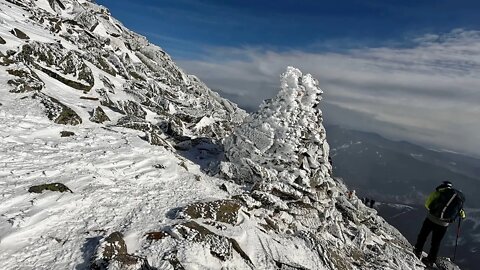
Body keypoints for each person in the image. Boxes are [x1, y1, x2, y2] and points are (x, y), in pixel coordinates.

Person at [414, 181, 466, 267]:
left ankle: (418, 251)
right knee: (436, 242)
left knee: (423, 235)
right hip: (443, 225)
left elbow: (427, 204)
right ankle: (430, 260)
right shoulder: (457, 199)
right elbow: (462, 215)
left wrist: (434, 210)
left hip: (431, 219)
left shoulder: (439, 192)